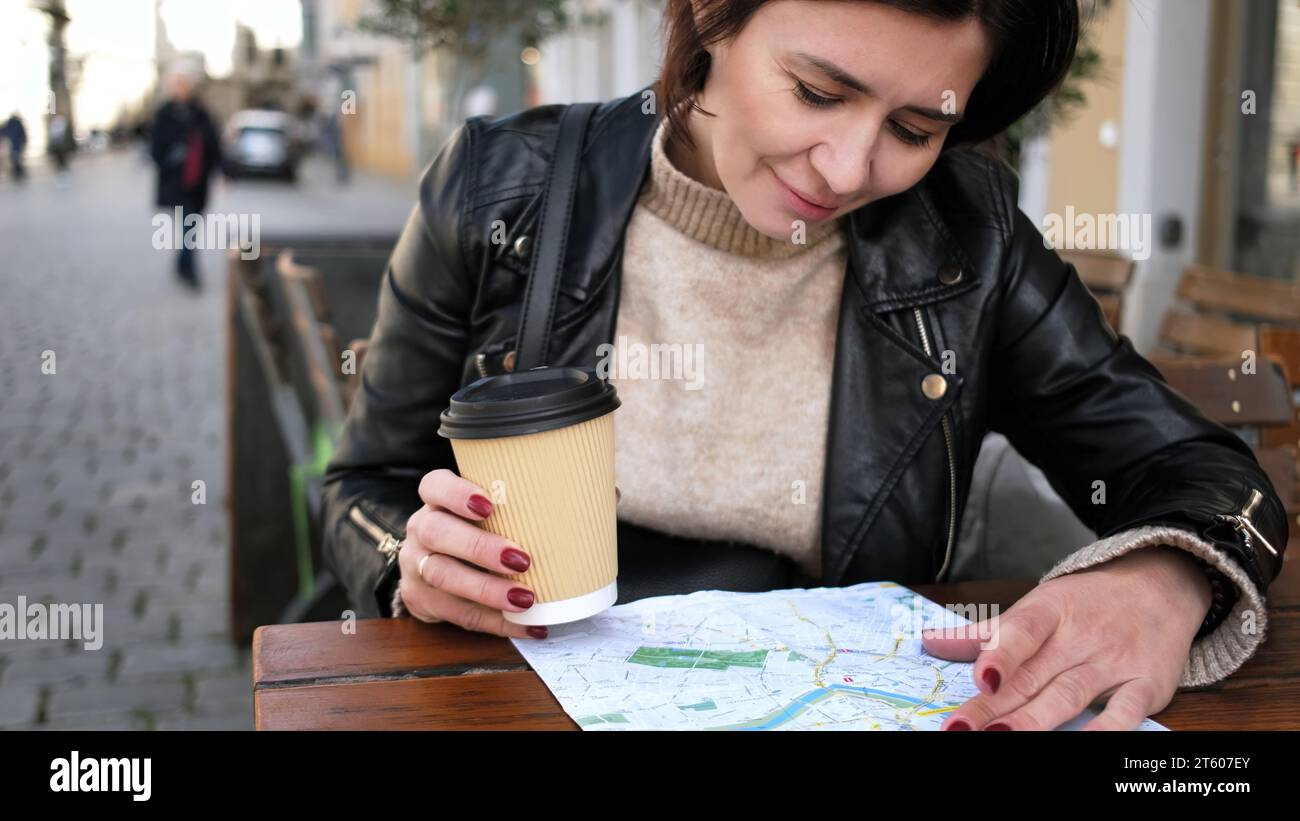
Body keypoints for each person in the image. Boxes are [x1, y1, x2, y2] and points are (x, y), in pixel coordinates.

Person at [320, 0, 1289, 730]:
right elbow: (361, 481)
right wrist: (413, 557)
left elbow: (1201, 472)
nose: (847, 167)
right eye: (819, 92)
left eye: (915, 127)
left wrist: (1160, 577)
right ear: (711, 16)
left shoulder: (969, 241)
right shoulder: (499, 188)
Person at [149, 66, 222, 288]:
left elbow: (213, 145)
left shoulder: (201, 113)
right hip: (176, 182)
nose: (181, 89)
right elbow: (155, 149)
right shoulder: (164, 113)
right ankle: (189, 271)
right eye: (177, 84)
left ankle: (181, 265)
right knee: (188, 226)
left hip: (198, 182)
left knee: (191, 226)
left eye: (184, 84)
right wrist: (173, 157)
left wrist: (224, 170)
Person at [2, 112, 27, 182]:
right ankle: (18, 173)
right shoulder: (18, 123)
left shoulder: (11, 123)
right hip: (16, 144)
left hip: (14, 144)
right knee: (16, 158)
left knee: (15, 158)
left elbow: (3, 131)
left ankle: (18, 173)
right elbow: (24, 134)